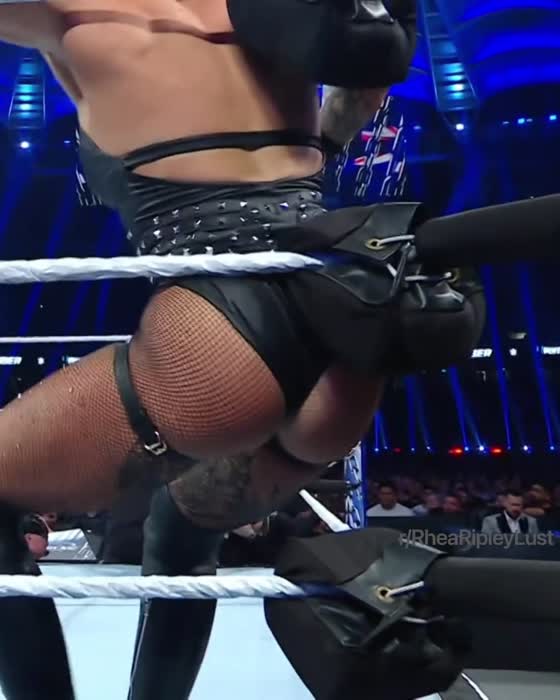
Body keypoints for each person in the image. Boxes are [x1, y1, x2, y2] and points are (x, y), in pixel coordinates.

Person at [0, 1, 484, 698]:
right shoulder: (276, 10)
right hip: (340, 331)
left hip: (221, 335)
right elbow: (370, 72)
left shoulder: (80, 12)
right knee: (182, 524)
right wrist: (316, 148)